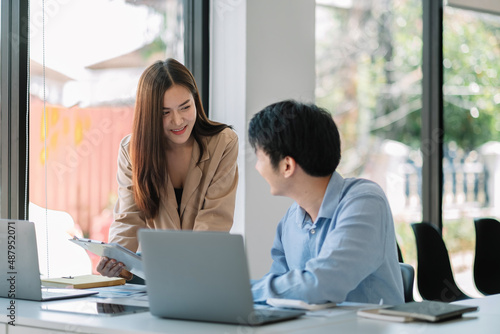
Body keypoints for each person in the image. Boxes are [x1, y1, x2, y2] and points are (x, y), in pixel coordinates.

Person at [248, 100, 404, 305]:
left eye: (260, 158)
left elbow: (322, 284)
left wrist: (241, 292)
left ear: (287, 165)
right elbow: (278, 294)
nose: (257, 168)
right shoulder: (289, 222)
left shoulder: (365, 201)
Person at [97, 58, 239, 280]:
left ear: (196, 101)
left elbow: (214, 220)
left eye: (185, 107)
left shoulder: (223, 142)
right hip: (159, 274)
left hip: (206, 272)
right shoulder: (132, 150)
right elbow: (129, 218)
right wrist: (116, 263)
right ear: (149, 114)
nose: (178, 120)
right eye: (165, 113)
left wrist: (188, 268)